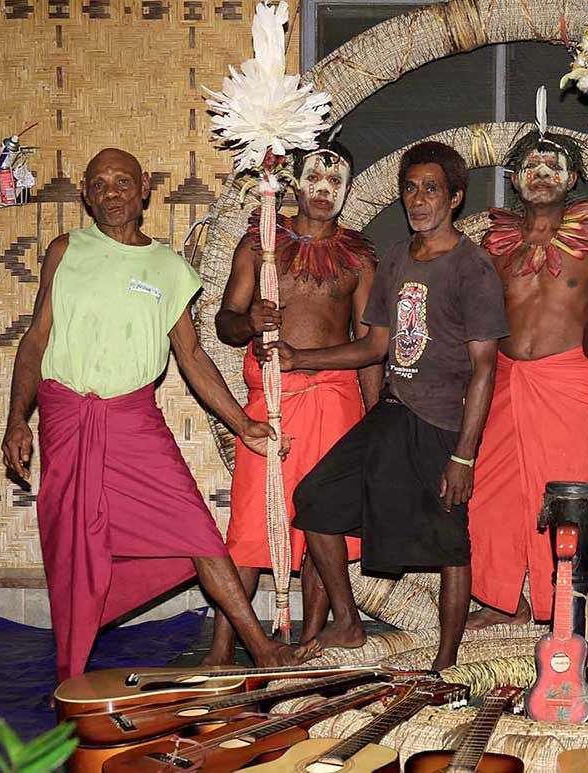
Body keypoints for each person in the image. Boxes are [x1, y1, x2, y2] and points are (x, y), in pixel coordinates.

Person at [1, 148, 314, 681]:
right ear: (86, 194)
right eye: (99, 184)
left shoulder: (169, 269)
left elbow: (191, 356)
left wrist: (243, 424)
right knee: (73, 549)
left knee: (197, 528)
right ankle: (71, 673)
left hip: (133, 418)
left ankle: (261, 649)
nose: (112, 193)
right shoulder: (66, 250)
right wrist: (16, 419)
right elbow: (36, 341)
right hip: (67, 418)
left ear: (144, 187)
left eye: (122, 182)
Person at [259, 141, 509, 670]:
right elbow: (375, 346)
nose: (418, 200)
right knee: (314, 501)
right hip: (393, 412)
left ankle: (445, 660)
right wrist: (300, 357)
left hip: (442, 423)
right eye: (410, 189)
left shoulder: (473, 267)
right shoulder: (394, 259)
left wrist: (463, 456)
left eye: (431, 189)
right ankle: (348, 623)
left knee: (451, 541)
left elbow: (485, 368)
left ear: (455, 197)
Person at [202, 137, 381, 664]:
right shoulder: (260, 244)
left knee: (324, 521)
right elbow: (225, 322)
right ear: (293, 183)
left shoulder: (357, 256)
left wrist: (376, 420)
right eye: (314, 179)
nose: (324, 189)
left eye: (335, 181)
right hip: (273, 401)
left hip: (336, 401)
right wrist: (249, 322)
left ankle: (310, 642)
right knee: (250, 524)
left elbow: (371, 346)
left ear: (347, 190)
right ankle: (221, 648)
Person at [466, 102, 588, 635]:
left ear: (572, 179)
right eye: (531, 166)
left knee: (570, 493)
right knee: (493, 495)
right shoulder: (495, 243)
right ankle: (502, 599)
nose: (542, 173)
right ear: (514, 181)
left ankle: (566, 601)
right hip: (503, 379)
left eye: (553, 166)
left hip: (568, 377)